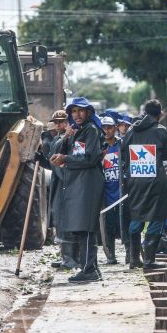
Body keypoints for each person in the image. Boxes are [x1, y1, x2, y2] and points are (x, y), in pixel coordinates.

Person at [49, 97, 105, 283]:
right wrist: (66, 138)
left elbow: (90, 158)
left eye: (81, 111)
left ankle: (89, 270)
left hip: (89, 185)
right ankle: (91, 268)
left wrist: (65, 159)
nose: (77, 114)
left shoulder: (91, 130)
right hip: (79, 185)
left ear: (88, 112)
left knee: (86, 227)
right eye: (73, 111)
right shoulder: (77, 131)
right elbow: (66, 152)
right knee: (82, 228)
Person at [121, 99, 167, 268]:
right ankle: (149, 260)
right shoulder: (161, 130)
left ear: (144, 112)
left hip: (135, 181)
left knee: (137, 216)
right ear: (159, 114)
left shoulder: (131, 130)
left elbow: (124, 151)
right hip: (155, 182)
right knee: (158, 217)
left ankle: (133, 258)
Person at [36, 109, 79, 269]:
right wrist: (42, 160)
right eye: (57, 122)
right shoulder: (57, 138)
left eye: (63, 121)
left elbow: (63, 164)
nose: (60, 125)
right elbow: (53, 163)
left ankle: (71, 260)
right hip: (58, 183)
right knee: (59, 221)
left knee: (66, 221)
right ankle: (65, 257)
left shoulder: (71, 139)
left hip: (67, 185)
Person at [99, 116, 121, 264]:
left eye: (110, 127)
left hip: (121, 193)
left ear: (115, 128)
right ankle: (110, 256)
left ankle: (130, 256)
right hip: (105, 193)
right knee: (107, 228)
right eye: (104, 128)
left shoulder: (122, 144)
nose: (107, 130)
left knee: (125, 225)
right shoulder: (98, 146)